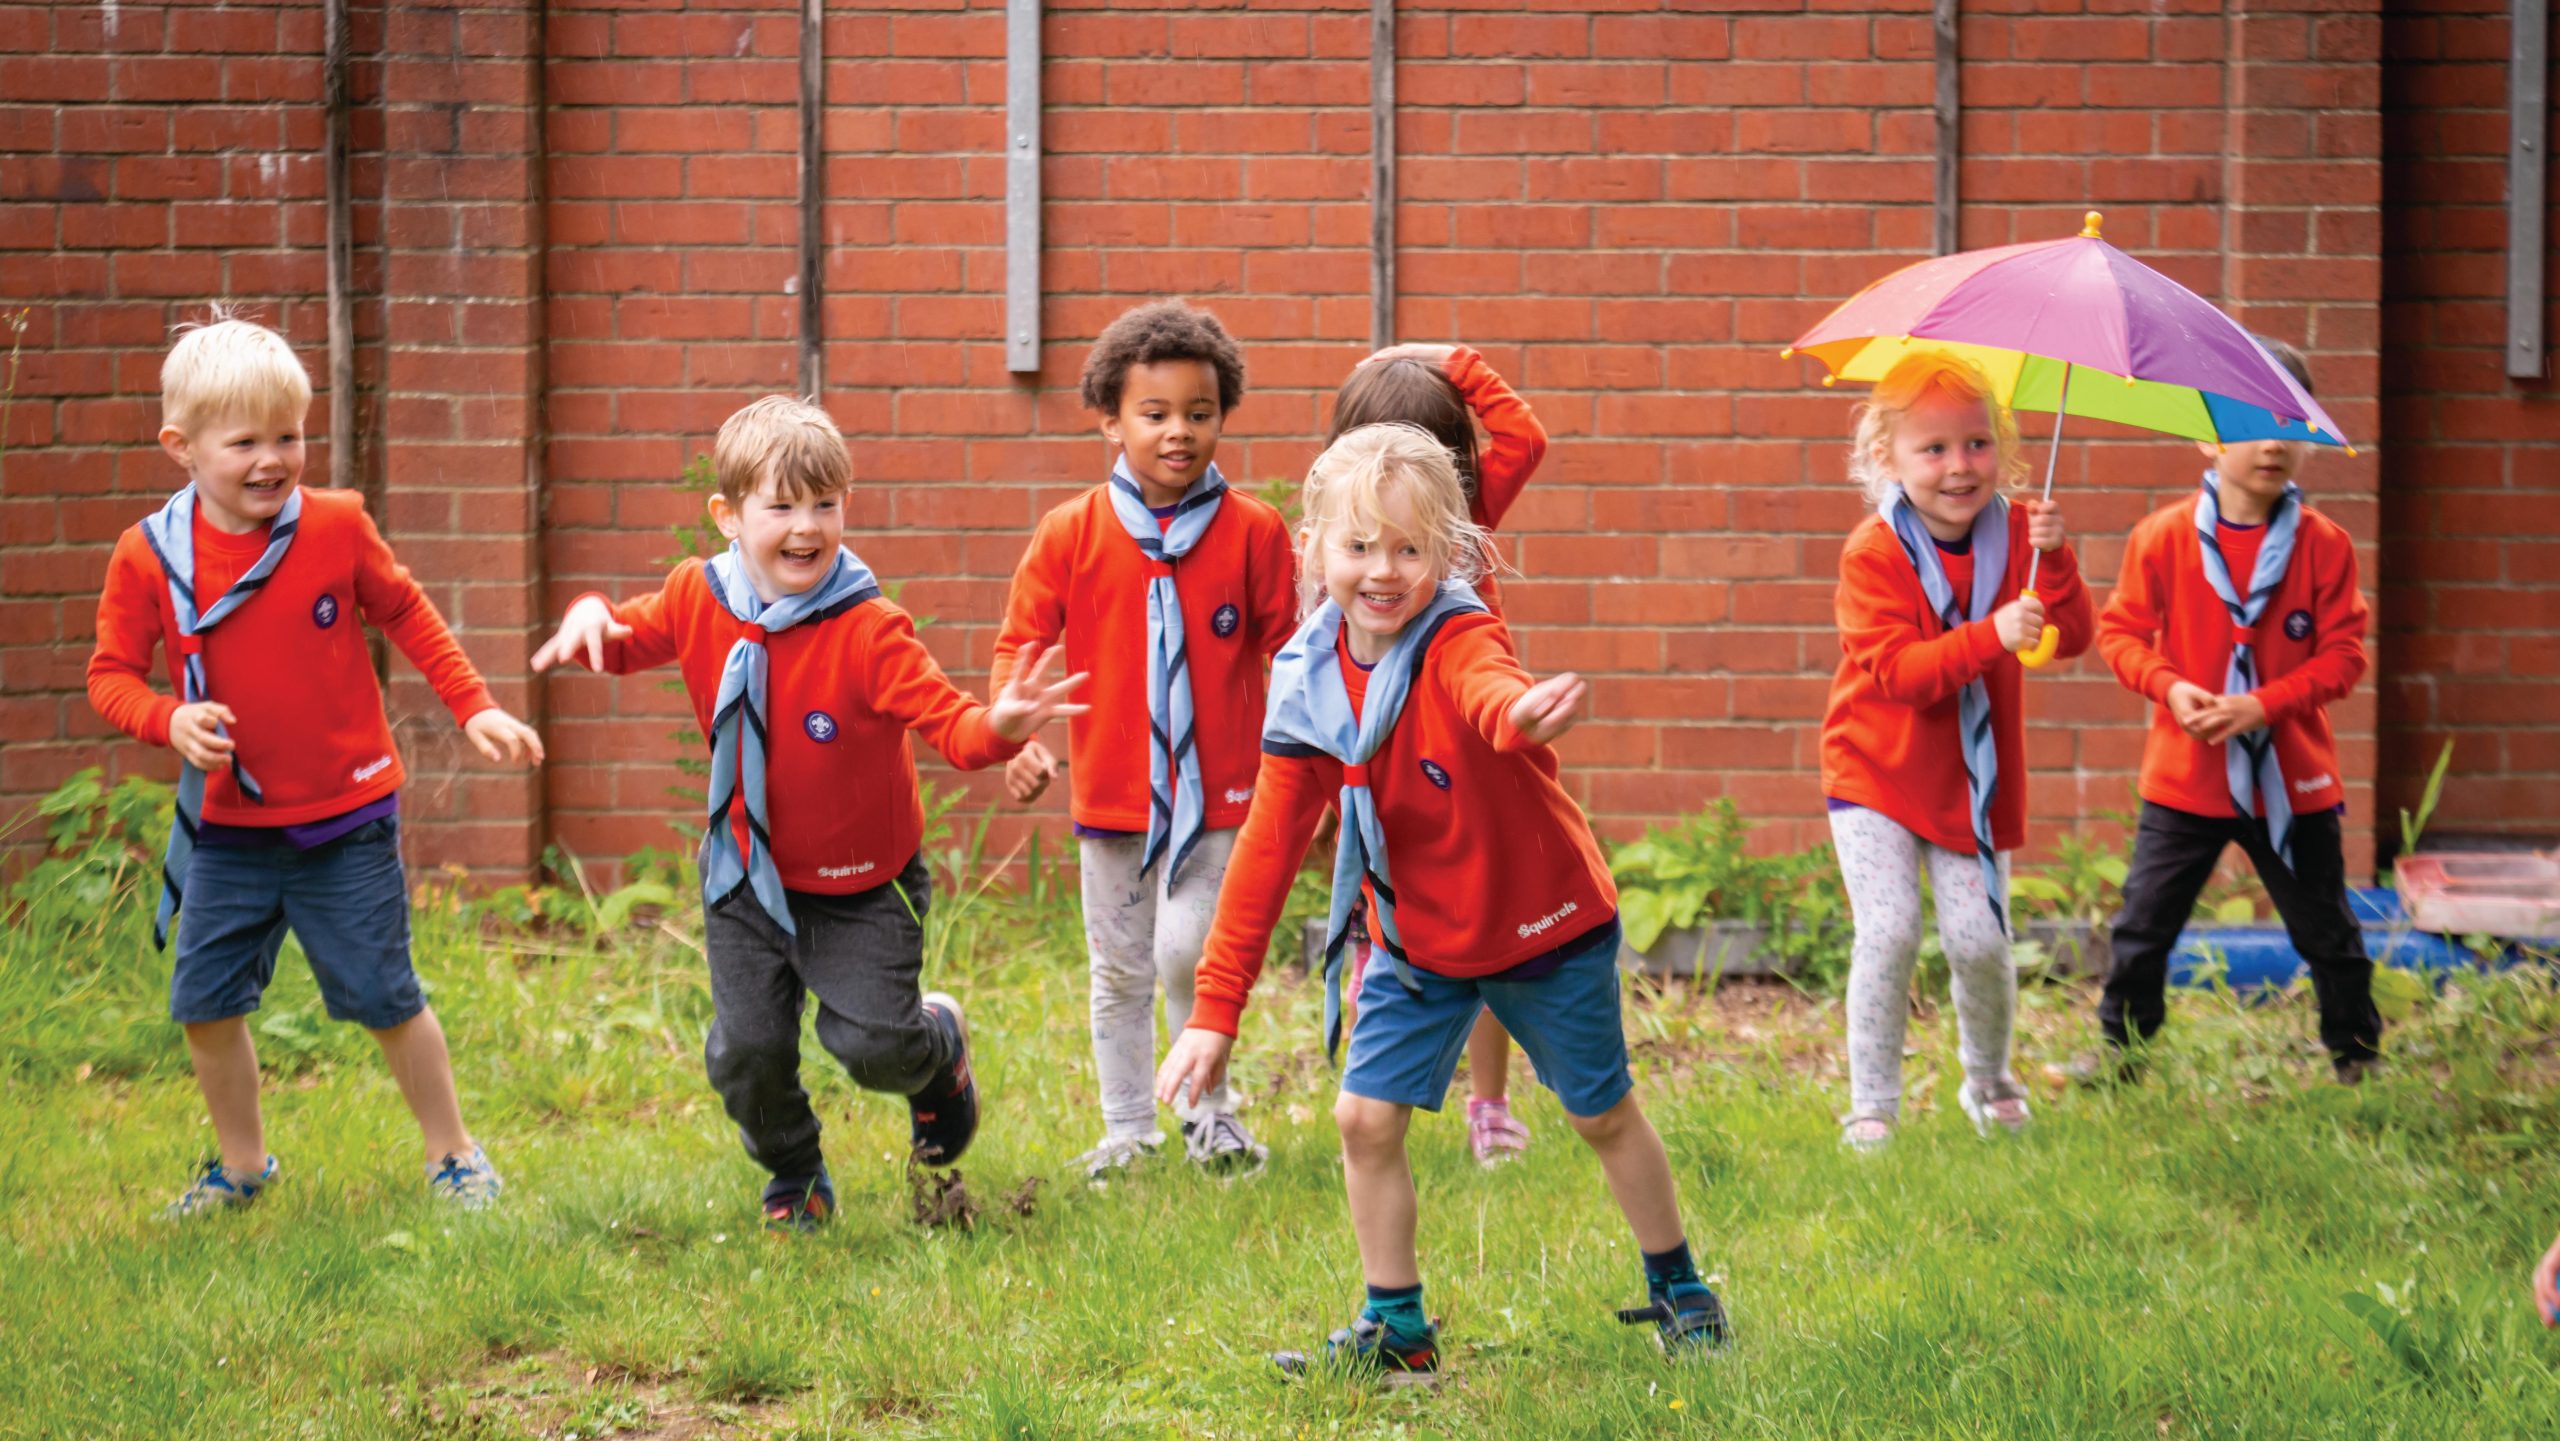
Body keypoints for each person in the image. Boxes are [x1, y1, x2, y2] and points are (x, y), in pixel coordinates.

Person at [1156, 422, 1730, 1380]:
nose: (1383, 570)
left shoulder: (1460, 634)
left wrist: (1519, 715)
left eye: (1409, 548)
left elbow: (1487, 690)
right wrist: (1216, 1009)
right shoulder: (1306, 679)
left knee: (1600, 1113)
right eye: (1359, 545)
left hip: (1542, 923)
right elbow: (1266, 850)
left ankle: (1681, 1287)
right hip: (1415, 935)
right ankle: (1399, 1329)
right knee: (1363, 1120)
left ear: (1449, 553)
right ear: (1316, 550)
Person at [531, 395, 1086, 1231]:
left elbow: (952, 725)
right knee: (746, 1054)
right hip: (744, 875)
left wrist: (1002, 728)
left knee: (873, 1048)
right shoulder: (696, 596)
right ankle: (796, 1171)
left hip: (862, 887)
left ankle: (938, 1051)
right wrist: (589, 614)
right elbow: (622, 637)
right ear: (728, 515)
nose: (806, 526)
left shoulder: (870, 631)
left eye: (825, 504)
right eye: (782, 505)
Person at [87, 313, 544, 1217]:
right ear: (181, 447)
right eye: (244, 442)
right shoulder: (149, 555)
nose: (273, 460)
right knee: (205, 1003)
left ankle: (454, 1152)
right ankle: (242, 1166)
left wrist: (475, 704)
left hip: (346, 820)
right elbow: (109, 677)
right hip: (225, 832)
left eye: (289, 436)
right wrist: (167, 718)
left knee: (385, 996)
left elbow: (407, 611)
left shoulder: (334, 525)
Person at [991, 301, 1295, 1182]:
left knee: (1186, 950)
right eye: (1154, 414)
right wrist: (1017, 733)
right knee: (1119, 969)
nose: (1178, 432)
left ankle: (1211, 1115)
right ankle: (1128, 1131)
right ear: (1109, 421)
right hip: (1112, 798)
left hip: (1223, 798)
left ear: (1223, 416)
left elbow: (1292, 657)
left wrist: (1306, 777)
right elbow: (1020, 647)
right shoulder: (1070, 532)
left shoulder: (1255, 530)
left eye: (1199, 413)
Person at [2084, 336, 2382, 1085]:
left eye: (2291, 419)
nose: (2273, 441)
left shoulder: (2325, 546)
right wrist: (2168, 686)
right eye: (2250, 420)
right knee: (2142, 927)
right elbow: (2119, 634)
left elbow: (2344, 657)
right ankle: (2121, 1054)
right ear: (2206, 436)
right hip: (2186, 778)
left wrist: (2262, 705)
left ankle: (2356, 1058)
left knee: (2328, 930)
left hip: (2292, 782)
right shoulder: (2161, 538)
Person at [1818, 350, 2093, 1149]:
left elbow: (2072, 635)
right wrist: (1990, 634)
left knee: (1980, 939)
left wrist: (2058, 560)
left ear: (2002, 447)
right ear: (1888, 456)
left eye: (1977, 443)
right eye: (1933, 448)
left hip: (1973, 777)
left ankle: (1990, 1081)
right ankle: (1872, 1105)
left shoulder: (2022, 535)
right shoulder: (1874, 552)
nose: (1959, 466)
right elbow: (1901, 674)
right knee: (1891, 930)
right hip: (1874, 769)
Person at [1323, 341, 1548, 1167]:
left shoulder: (1467, 522)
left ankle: (1489, 1103)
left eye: (1430, 457)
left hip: (1474, 757)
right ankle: (1377, 1108)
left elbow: (1524, 435)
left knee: (1488, 939)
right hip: (1389, 773)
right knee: (1381, 932)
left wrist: (1451, 359)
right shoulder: (1345, 550)